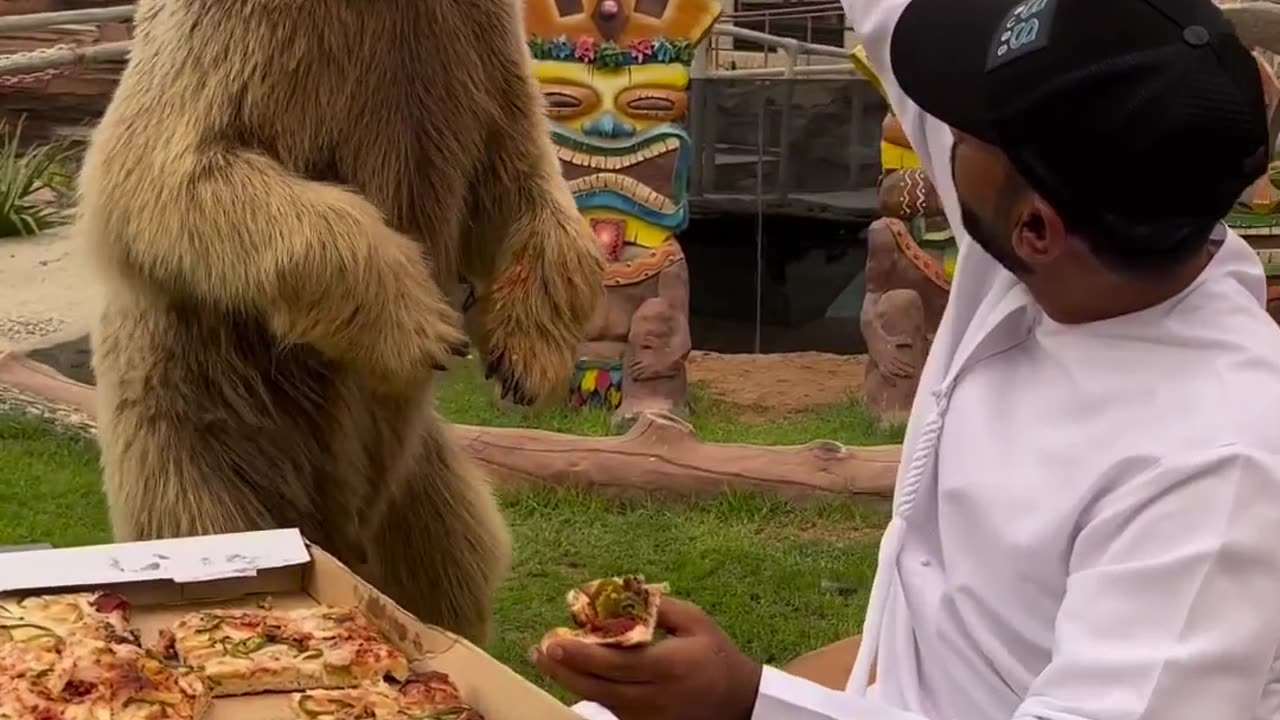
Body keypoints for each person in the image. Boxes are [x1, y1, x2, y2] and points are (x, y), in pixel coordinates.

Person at [532, 0, 1280, 717]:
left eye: (968, 126)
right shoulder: (1079, 236)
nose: (940, 133)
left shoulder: (1213, 467)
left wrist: (743, 702)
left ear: (1037, 229)